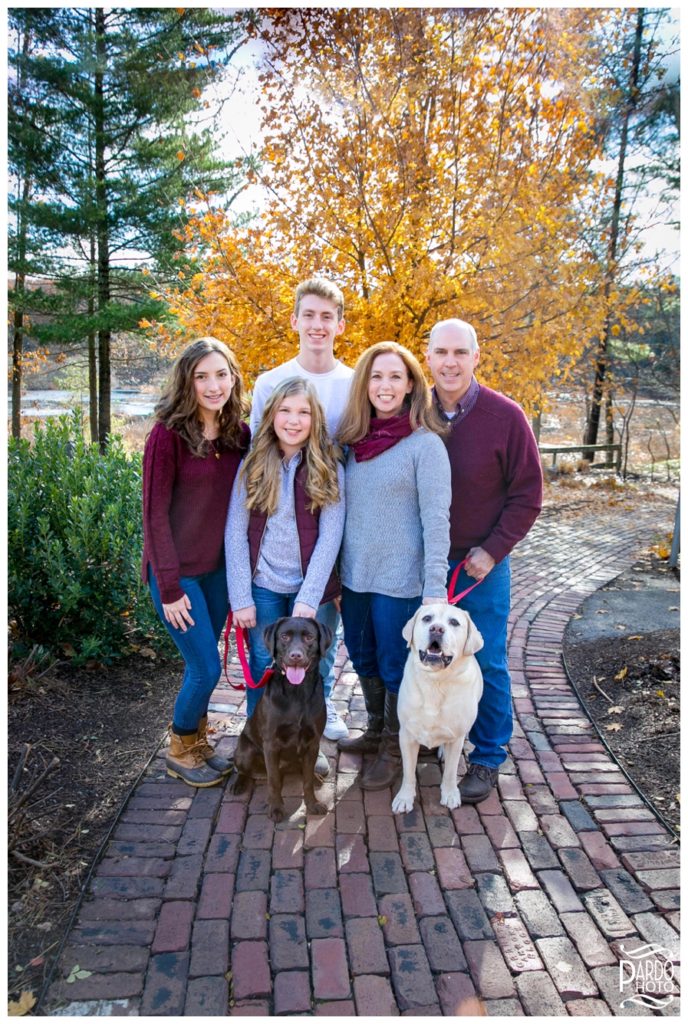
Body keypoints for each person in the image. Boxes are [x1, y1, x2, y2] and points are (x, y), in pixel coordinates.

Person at [426, 318, 543, 803]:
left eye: (460, 352)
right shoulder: (416, 412)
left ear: (476, 357)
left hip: (482, 565)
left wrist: (492, 550)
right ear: (428, 358)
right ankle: (433, 736)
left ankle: (489, 755)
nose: (449, 362)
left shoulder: (505, 416)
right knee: (426, 655)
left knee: (485, 658)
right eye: (440, 353)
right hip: (429, 560)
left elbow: (528, 495)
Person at [336, 341, 451, 790]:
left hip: (400, 580)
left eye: (395, 377)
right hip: (354, 575)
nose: (385, 386)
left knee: (392, 664)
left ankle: (394, 745)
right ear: (364, 384)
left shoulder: (425, 446)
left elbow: (437, 520)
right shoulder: (351, 443)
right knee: (362, 657)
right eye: (376, 377)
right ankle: (375, 729)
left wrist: (434, 587)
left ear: (410, 387)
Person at [142, 337, 250, 788]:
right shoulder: (167, 435)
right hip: (177, 574)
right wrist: (168, 587)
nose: (213, 385)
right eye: (202, 376)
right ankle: (180, 748)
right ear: (187, 380)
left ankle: (199, 742)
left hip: (219, 573)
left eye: (221, 374)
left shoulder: (238, 435)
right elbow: (153, 514)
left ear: (233, 378)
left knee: (206, 665)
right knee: (204, 666)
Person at [249, 277, 353, 741]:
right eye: (308, 315)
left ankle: (319, 716)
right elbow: (258, 460)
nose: (317, 325)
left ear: (340, 325)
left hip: (330, 534)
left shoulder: (353, 384)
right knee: (267, 651)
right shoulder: (269, 382)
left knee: (320, 644)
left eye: (326, 317)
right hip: (275, 550)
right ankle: (263, 730)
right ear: (295, 320)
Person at [225, 377, 345, 777]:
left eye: (303, 412)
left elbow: (331, 536)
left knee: (315, 666)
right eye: (285, 411)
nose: (293, 421)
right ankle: (262, 742)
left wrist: (309, 598)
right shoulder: (254, 463)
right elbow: (234, 531)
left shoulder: (328, 464)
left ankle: (311, 740)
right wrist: (241, 594)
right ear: (271, 414)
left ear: (315, 418)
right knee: (264, 666)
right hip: (263, 586)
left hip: (314, 587)